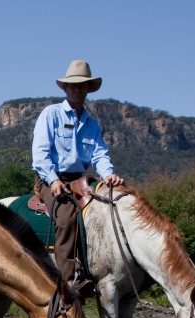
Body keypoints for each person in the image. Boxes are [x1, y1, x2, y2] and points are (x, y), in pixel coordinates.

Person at [31, 59, 124, 301]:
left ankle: (103, 268)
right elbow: (40, 154)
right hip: (50, 177)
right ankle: (67, 281)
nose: (77, 90)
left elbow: (100, 154)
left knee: (109, 205)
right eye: (73, 86)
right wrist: (52, 180)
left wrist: (108, 174)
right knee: (66, 215)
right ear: (65, 88)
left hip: (80, 178)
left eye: (82, 86)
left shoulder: (91, 124)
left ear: (87, 89)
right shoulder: (51, 114)